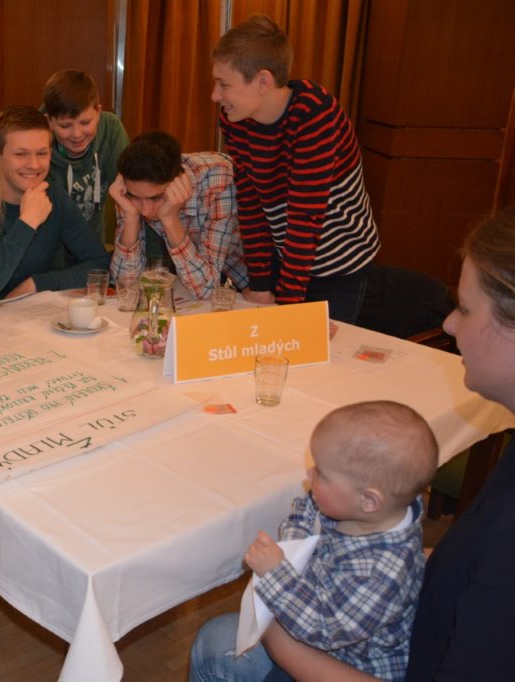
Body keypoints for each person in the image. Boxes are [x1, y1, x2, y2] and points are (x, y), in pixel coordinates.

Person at [191, 207, 515, 682]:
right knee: (218, 638)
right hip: (398, 626)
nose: (448, 323)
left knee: (218, 649)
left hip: (364, 661)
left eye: (465, 308)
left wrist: (277, 633)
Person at [190, 400, 439, 681]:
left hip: (346, 661)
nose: (309, 474)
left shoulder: (379, 574)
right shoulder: (367, 509)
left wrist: (275, 573)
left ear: (369, 500)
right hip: (313, 609)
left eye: (321, 472)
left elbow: (321, 626)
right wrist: (291, 550)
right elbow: (307, 509)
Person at [211, 15, 380, 323]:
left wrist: (289, 309)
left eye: (224, 84)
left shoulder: (314, 114)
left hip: (339, 266)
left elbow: (305, 217)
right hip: (288, 258)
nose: (215, 95)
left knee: (317, 348)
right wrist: (260, 283)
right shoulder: (236, 120)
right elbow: (250, 203)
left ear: (263, 81)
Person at [0, 105, 110, 307]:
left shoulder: (53, 196)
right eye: (21, 154)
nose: (34, 165)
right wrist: (27, 224)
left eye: (42, 153)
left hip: (27, 315)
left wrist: (37, 284)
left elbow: (100, 264)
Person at [108, 130, 248, 300]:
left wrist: (170, 219)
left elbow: (206, 290)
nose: (145, 210)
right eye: (135, 197)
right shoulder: (127, 191)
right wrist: (131, 217)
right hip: (201, 276)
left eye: (156, 198)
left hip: (254, 281)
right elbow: (124, 283)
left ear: (178, 180)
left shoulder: (218, 181)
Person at [43, 69, 129, 247]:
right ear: (49, 121)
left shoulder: (111, 130)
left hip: (92, 246)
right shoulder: (36, 141)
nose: (77, 134)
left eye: (85, 122)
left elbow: (132, 191)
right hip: (49, 249)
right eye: (65, 126)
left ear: (98, 112)